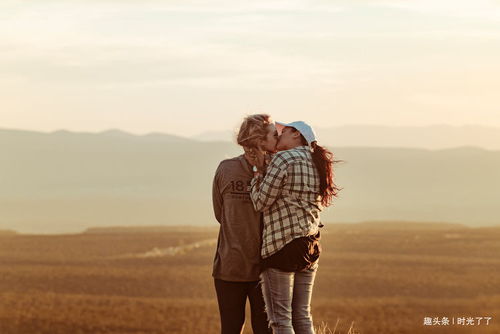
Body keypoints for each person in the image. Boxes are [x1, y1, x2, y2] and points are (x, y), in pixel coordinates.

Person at [249, 121, 341, 334]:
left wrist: (256, 176)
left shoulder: (284, 158)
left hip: (282, 245)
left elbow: (260, 202)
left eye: (283, 132)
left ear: (296, 134)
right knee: (302, 315)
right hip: (311, 244)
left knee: (280, 320)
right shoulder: (316, 161)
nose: (278, 136)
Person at [211, 114, 278, 334]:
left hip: (264, 269)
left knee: (262, 329)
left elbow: (221, 214)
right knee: (233, 328)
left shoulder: (277, 170)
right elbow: (221, 214)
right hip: (232, 268)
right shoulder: (226, 169)